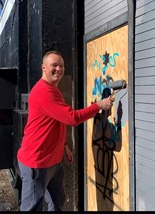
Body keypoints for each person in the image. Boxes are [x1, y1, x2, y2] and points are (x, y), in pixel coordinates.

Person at [16, 51, 114, 211]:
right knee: (31, 208)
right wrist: (98, 106)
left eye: (61, 66)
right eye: (54, 65)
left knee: (57, 203)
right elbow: (71, 118)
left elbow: (55, 122)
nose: (59, 69)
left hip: (53, 161)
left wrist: (64, 145)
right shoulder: (44, 91)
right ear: (43, 67)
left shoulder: (52, 90)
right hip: (37, 162)